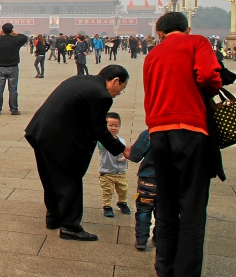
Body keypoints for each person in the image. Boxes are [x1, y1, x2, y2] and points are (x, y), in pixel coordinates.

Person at [143, 11, 222, 277]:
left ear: (160, 32)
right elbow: (210, 76)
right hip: (190, 130)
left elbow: (149, 93)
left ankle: (164, 269)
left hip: (159, 132)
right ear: (186, 28)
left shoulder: (153, 54)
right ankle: (187, 276)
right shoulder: (197, 42)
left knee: (166, 200)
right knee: (192, 203)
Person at [24, 65, 129, 241]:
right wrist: (121, 149)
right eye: (121, 89)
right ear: (115, 81)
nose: (118, 93)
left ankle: (54, 218)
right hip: (56, 138)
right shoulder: (101, 95)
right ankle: (70, 227)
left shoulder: (81, 79)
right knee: (69, 180)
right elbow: (99, 129)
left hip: (40, 132)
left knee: (51, 179)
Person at [0, 23, 28, 115]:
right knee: (13, 90)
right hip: (13, 67)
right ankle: (14, 109)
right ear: (12, 30)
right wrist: (15, 33)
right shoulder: (16, 40)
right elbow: (24, 38)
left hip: (0, 68)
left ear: (2, 30)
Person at [126, 129, 156, 251]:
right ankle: (160, 238)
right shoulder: (181, 133)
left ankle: (141, 240)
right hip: (169, 182)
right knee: (164, 212)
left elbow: (135, 155)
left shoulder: (149, 133)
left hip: (147, 180)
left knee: (144, 210)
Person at [98, 112, 130, 217]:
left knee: (123, 189)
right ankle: (107, 206)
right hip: (107, 172)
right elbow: (103, 147)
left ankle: (122, 202)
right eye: (110, 125)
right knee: (107, 191)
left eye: (116, 126)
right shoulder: (102, 141)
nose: (113, 128)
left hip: (120, 172)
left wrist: (125, 157)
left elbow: (124, 152)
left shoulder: (122, 141)